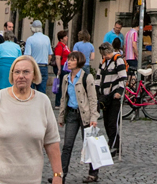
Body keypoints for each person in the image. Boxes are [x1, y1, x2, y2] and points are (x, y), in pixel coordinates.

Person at [0, 56, 62, 184]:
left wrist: (57, 174)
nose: (21, 76)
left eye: (26, 72)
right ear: (12, 75)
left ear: (34, 75)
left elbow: (51, 141)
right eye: (17, 72)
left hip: (30, 179)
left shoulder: (43, 101)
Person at [58, 52, 100, 183]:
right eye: (68, 60)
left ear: (79, 62)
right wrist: (61, 117)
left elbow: (93, 99)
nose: (68, 62)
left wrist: (94, 117)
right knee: (67, 146)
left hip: (85, 116)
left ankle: (93, 173)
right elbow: (63, 98)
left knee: (89, 144)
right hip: (71, 114)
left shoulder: (87, 77)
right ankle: (61, 175)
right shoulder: (66, 78)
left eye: (72, 60)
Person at [97, 41, 126, 156]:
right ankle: (115, 143)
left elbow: (123, 77)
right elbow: (98, 76)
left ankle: (113, 146)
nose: (104, 57)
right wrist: (96, 89)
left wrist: (119, 91)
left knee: (112, 123)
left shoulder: (118, 60)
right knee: (106, 122)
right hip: (104, 96)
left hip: (114, 96)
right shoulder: (103, 61)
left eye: (105, 54)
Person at [23, 20, 53, 94]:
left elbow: (27, 56)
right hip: (44, 66)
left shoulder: (30, 39)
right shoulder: (47, 39)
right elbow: (50, 55)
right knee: (42, 91)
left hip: (33, 66)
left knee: (30, 90)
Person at [52, 30, 71, 107]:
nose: (67, 37)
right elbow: (57, 58)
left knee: (64, 84)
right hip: (62, 67)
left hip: (66, 67)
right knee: (60, 85)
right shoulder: (60, 46)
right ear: (61, 39)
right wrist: (59, 68)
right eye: (65, 36)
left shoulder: (65, 46)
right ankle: (58, 103)